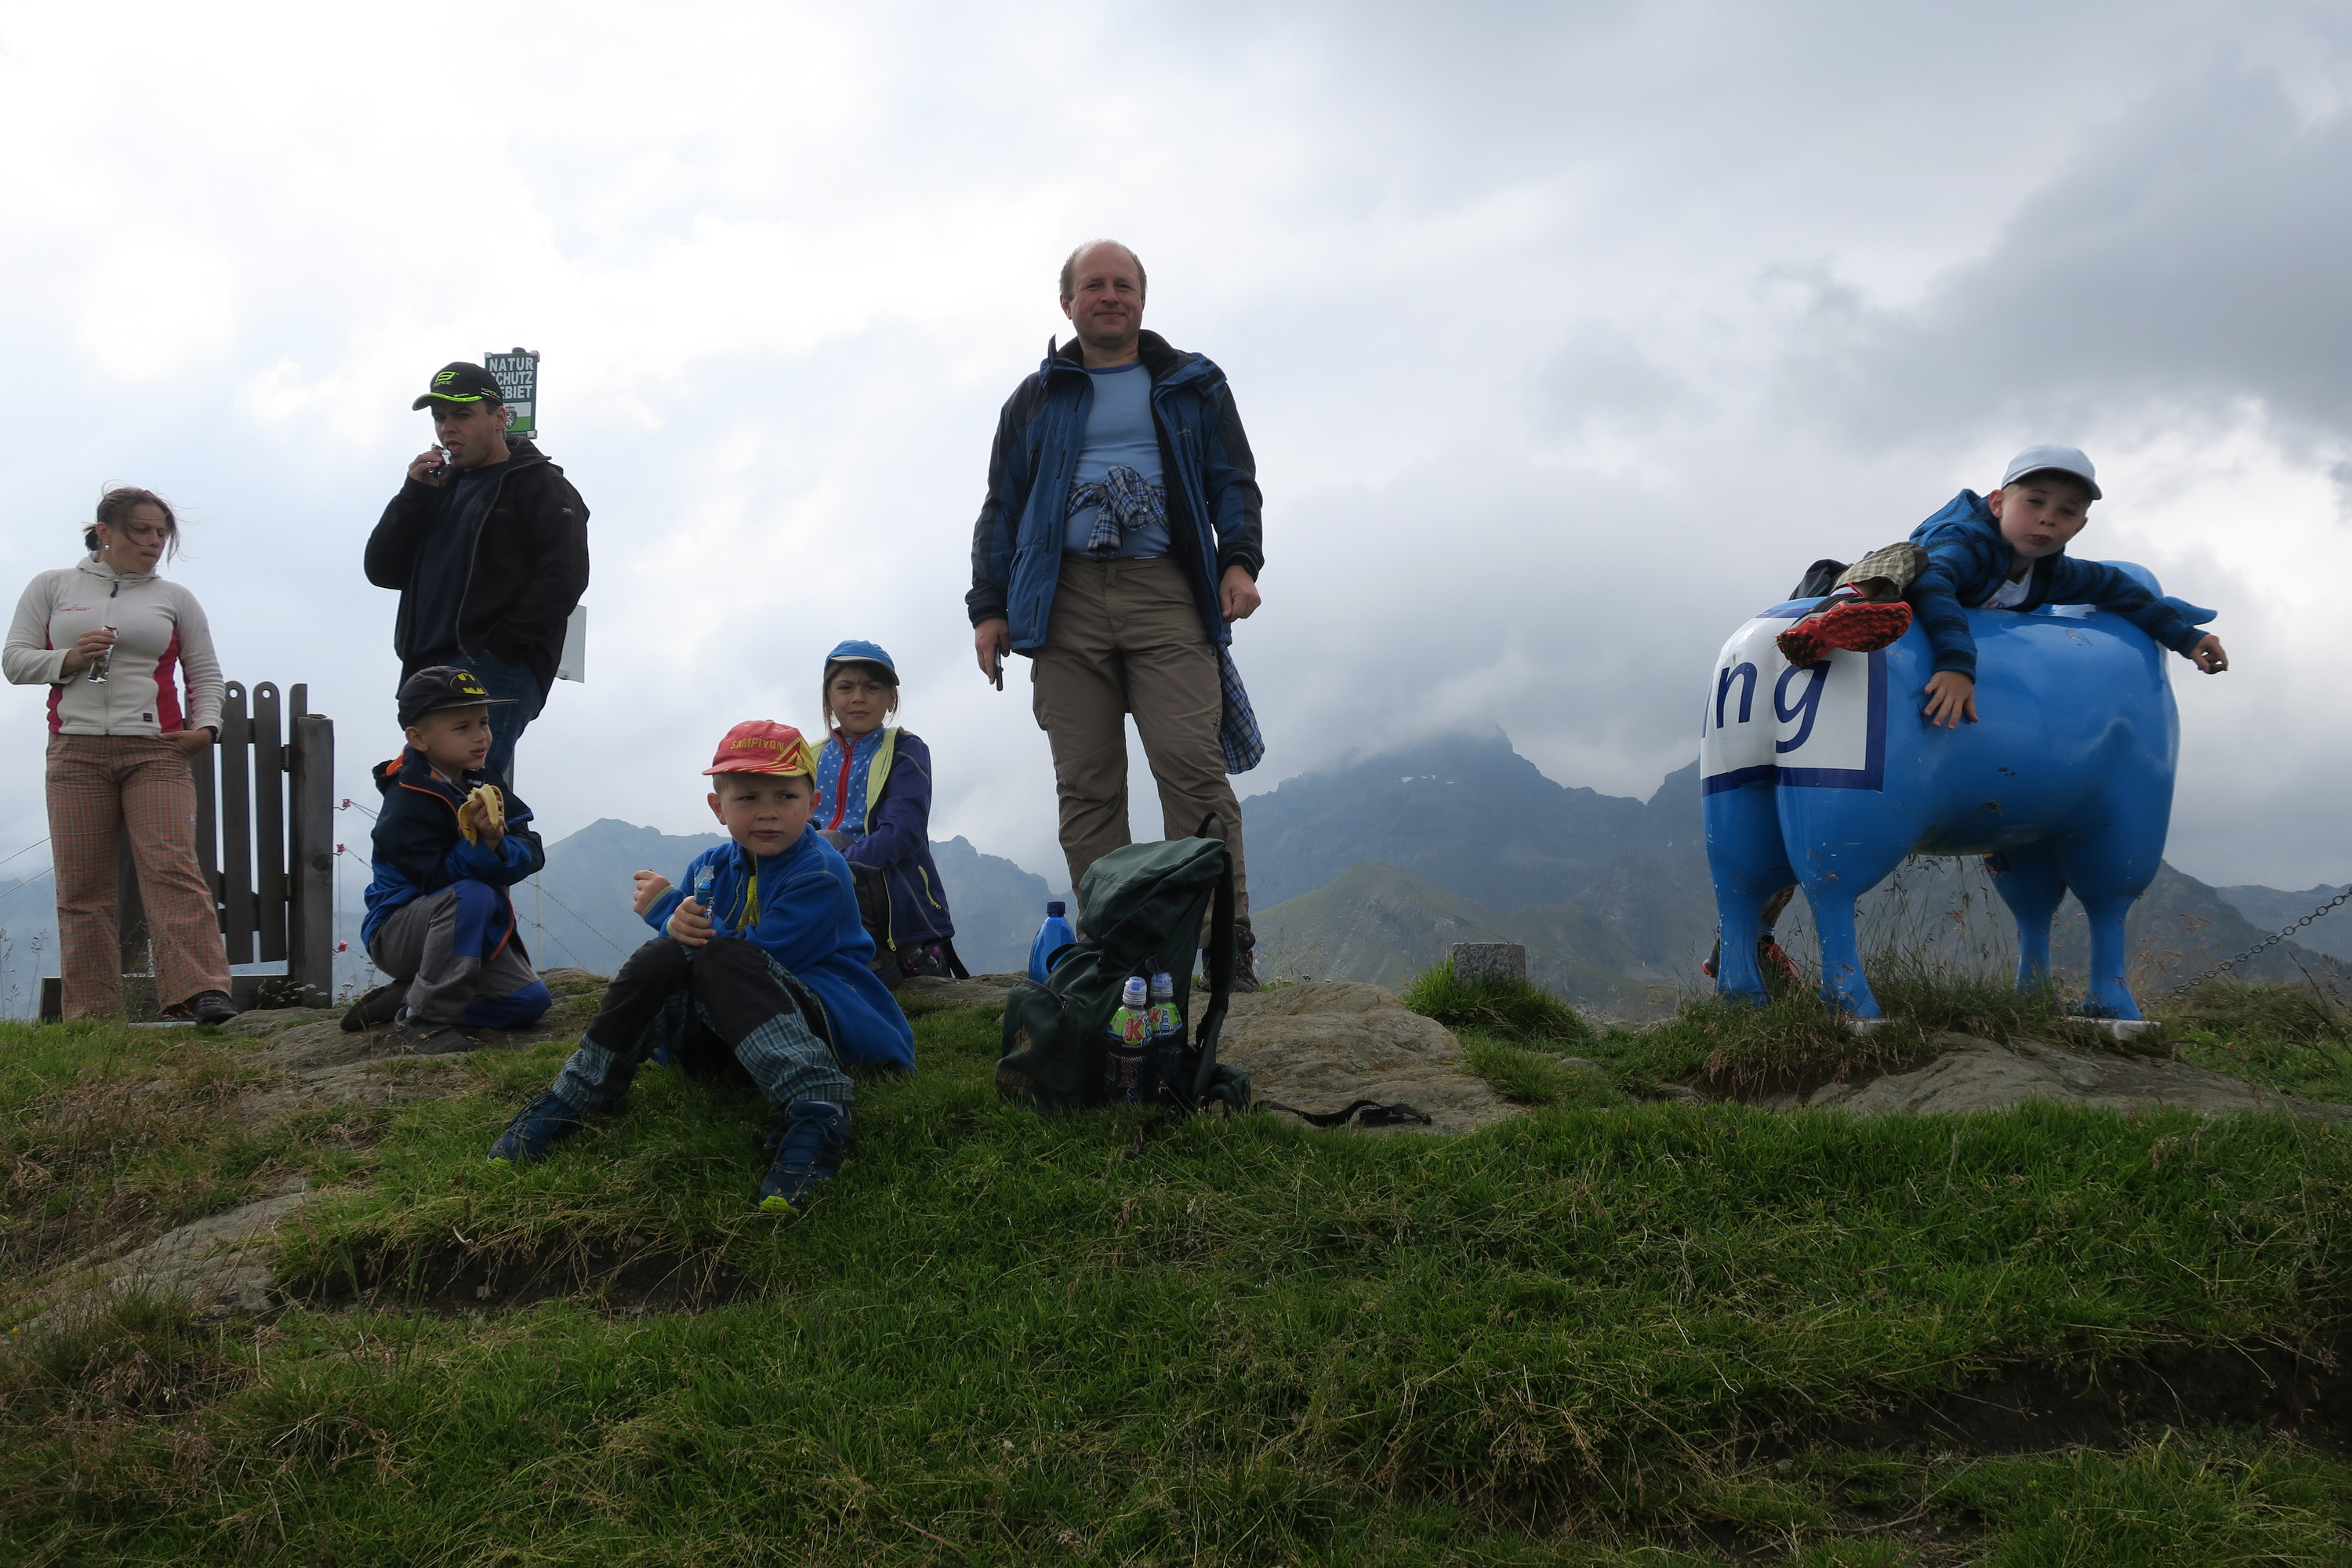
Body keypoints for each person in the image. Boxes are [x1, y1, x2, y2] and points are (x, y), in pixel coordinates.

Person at [966, 239, 1267, 985]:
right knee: (1087, 784)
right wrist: (989, 607)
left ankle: (1224, 945)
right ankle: (1116, 950)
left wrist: (1239, 561)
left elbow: (1233, 481)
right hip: (1060, 599)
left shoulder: (1193, 384)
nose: (1110, 296)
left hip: (1167, 591)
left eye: (1123, 285)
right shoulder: (1035, 398)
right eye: (1094, 285)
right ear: (1066, 303)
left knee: (1192, 771)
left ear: (1142, 299)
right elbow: (1002, 506)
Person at [485, 720, 916, 1214]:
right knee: (664, 955)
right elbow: (686, 958)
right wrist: (673, 929)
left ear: (812, 803)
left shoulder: (821, 871)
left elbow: (759, 961)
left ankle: (818, 1106)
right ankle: (581, 1091)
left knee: (718, 954)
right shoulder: (710, 867)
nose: (768, 812)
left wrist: (668, 911)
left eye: (786, 796)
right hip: (735, 1037)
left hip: (821, 1026)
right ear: (719, 807)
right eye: (748, 798)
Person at [1775, 445, 2228, 727]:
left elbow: (2118, 588)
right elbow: (1936, 586)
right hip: (1865, 585)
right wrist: (1957, 665)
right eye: (2034, 502)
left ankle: (1853, 619)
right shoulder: (1965, 543)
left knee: (1915, 577)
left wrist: (2186, 638)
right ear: (1997, 504)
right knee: (1909, 560)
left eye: (2067, 511)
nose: (2048, 518)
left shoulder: (2052, 571)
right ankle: (1830, 619)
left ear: (2080, 526)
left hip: (1906, 607)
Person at [5, 488, 238, 1023]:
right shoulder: (51, 586)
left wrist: (206, 728)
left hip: (156, 750)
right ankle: (92, 1014)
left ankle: (203, 992)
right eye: (142, 530)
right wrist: (68, 658)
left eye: (161, 533)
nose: (154, 542)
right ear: (105, 532)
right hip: (75, 751)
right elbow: (14, 660)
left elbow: (204, 672)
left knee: (171, 869)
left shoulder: (175, 598)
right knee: (82, 887)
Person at [365, 361, 590, 790]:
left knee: (464, 794)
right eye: (440, 417)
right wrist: (413, 496)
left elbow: (565, 576)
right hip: (426, 670)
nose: (448, 427)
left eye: (462, 415)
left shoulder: (539, 483)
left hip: (492, 665)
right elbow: (381, 570)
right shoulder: (437, 488)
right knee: (424, 793)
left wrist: (503, 646)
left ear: (500, 417)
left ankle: (503, 836)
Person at [358, 666, 553, 1052]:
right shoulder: (407, 800)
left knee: (529, 1002)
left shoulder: (482, 777)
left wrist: (498, 844)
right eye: (462, 727)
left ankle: (409, 998)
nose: (481, 736)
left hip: (468, 931)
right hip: (399, 932)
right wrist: (484, 846)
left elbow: (531, 848)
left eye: (484, 722)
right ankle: (424, 1019)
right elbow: (435, 880)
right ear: (418, 738)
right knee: (472, 894)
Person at [809, 639, 965, 984]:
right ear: (829, 697)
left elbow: (902, 832)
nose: (858, 697)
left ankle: (880, 960)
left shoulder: (905, 751)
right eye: (845, 687)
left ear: (891, 698)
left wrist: (833, 867)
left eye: (872, 687)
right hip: (819, 877)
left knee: (827, 842)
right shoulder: (810, 756)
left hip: (888, 892)